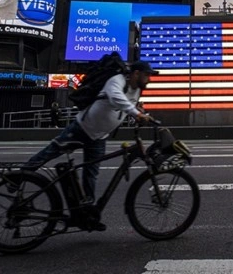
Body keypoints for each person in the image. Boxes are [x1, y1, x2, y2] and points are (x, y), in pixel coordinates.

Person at [23, 60, 159, 229]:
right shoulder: (116, 80)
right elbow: (116, 98)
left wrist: (142, 114)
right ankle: (22, 174)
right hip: (82, 128)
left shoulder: (137, 90)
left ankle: (87, 214)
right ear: (136, 73)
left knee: (91, 174)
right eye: (147, 75)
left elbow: (128, 105)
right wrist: (136, 113)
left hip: (99, 136)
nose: (149, 79)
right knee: (52, 150)